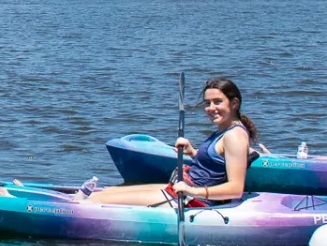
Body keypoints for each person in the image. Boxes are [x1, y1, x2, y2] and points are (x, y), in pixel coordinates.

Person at [87, 77, 255, 204]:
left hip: (192, 201)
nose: (210, 108)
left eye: (217, 102)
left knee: (98, 200)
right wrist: (194, 152)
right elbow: (215, 167)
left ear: (234, 103)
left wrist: (192, 191)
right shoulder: (224, 130)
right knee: (107, 191)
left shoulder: (234, 136)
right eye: (207, 103)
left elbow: (235, 189)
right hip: (182, 190)